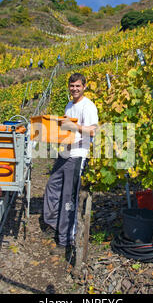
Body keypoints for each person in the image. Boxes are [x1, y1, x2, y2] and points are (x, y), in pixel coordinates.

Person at [42, 73, 98, 258]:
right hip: (65, 153)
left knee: (68, 198)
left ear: (84, 87)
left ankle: (66, 241)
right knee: (52, 187)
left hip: (78, 156)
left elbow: (93, 130)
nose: (74, 89)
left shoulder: (88, 106)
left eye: (78, 86)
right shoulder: (69, 105)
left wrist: (74, 128)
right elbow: (66, 130)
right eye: (72, 86)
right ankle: (54, 224)